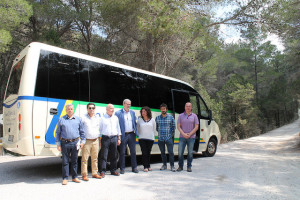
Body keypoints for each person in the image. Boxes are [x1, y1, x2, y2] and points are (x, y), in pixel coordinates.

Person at [56, 104, 86, 185]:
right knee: (65, 161)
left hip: (75, 143)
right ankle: (65, 178)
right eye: (68, 109)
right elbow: (58, 132)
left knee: (74, 161)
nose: (70, 110)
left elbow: (82, 132)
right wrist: (58, 144)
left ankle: (74, 177)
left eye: (71, 109)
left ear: (73, 110)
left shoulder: (78, 119)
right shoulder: (61, 120)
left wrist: (83, 141)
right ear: (66, 110)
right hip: (65, 143)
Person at [115, 99, 139, 174]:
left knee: (133, 152)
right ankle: (122, 168)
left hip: (132, 134)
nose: (129, 106)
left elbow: (134, 122)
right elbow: (117, 125)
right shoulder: (118, 113)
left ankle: (134, 167)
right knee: (122, 152)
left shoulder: (132, 112)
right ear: (123, 104)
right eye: (127, 104)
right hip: (123, 135)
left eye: (130, 104)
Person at [80, 103, 102, 181]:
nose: (91, 109)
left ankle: (94, 173)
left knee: (95, 158)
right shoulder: (83, 118)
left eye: (93, 108)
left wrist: (99, 140)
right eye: (90, 108)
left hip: (95, 140)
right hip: (87, 141)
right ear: (87, 109)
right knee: (84, 159)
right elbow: (80, 129)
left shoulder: (98, 118)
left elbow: (99, 129)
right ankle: (84, 175)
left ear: (94, 109)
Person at [99, 104, 121, 177]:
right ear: (107, 109)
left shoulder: (115, 118)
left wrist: (119, 138)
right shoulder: (102, 118)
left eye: (113, 108)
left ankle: (113, 170)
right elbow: (99, 130)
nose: (112, 110)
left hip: (114, 138)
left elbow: (118, 129)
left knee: (114, 155)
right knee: (104, 155)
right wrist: (99, 140)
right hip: (105, 138)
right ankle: (102, 171)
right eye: (111, 108)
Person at [177, 102, 199, 172]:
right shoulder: (180, 116)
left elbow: (196, 127)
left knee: (190, 153)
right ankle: (180, 166)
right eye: (187, 106)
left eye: (189, 106)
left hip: (191, 137)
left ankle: (189, 166)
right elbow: (178, 126)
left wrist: (190, 134)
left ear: (191, 107)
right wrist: (183, 134)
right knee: (180, 152)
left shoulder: (194, 116)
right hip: (182, 137)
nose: (188, 107)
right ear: (185, 107)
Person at [155, 103, 176, 172]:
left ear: (166, 109)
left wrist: (170, 135)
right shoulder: (157, 118)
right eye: (162, 109)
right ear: (160, 110)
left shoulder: (171, 117)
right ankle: (164, 165)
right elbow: (157, 128)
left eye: (164, 109)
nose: (163, 110)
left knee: (171, 152)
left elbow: (173, 127)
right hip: (160, 138)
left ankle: (172, 166)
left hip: (168, 138)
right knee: (162, 153)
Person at [137, 106, 156, 172]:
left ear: (148, 112)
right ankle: (145, 166)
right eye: (142, 111)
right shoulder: (139, 120)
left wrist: (152, 136)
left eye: (144, 111)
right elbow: (138, 129)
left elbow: (154, 129)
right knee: (144, 152)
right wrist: (141, 135)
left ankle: (148, 165)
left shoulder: (153, 120)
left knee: (148, 152)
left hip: (150, 139)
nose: (143, 113)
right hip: (142, 138)